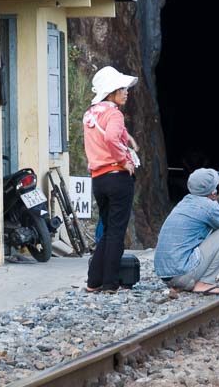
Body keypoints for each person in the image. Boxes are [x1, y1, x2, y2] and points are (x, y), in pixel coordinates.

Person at [83, 66, 139, 293]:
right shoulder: (114, 113)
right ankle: (109, 283)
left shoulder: (91, 112)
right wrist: (124, 160)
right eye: (121, 88)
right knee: (116, 231)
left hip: (99, 179)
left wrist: (129, 139)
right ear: (111, 92)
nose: (126, 92)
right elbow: (112, 137)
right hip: (117, 177)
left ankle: (93, 281)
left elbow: (106, 134)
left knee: (107, 230)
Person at [154, 168, 219, 295]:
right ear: (214, 189)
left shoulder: (185, 201)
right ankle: (205, 282)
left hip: (167, 275)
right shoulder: (209, 206)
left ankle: (191, 280)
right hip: (182, 275)